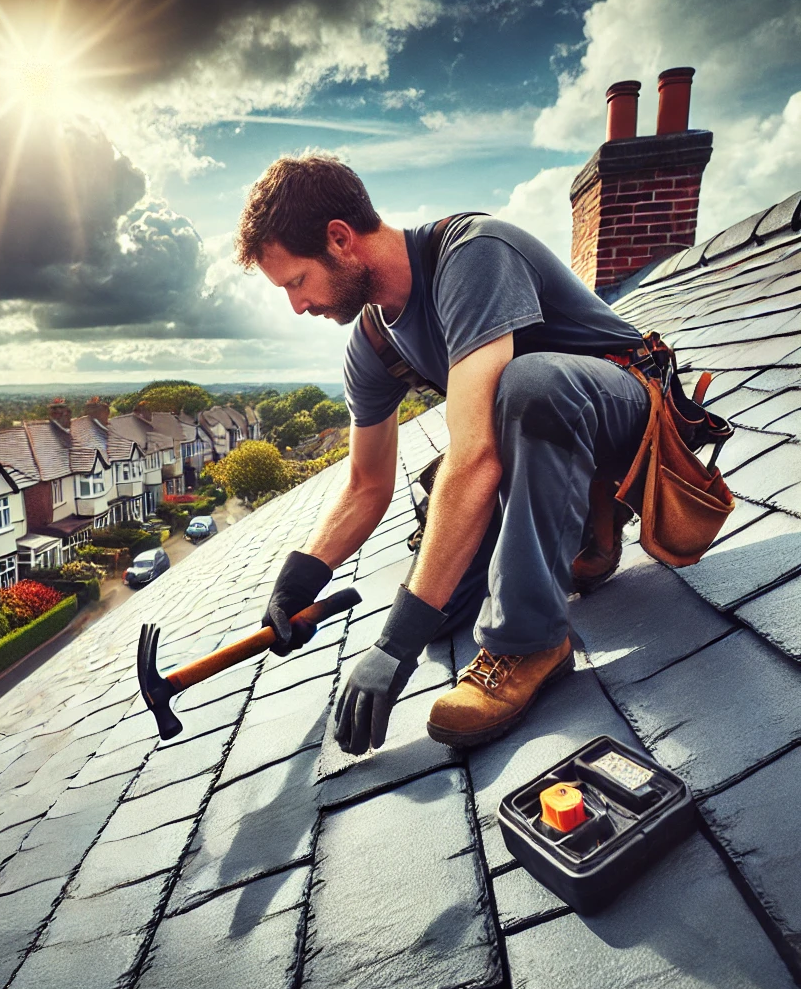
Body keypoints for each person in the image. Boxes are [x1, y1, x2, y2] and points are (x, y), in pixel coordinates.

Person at [234, 154, 649, 756]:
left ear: (340, 239)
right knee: (443, 604)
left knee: (529, 384)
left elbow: (477, 455)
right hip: (539, 456)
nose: (297, 306)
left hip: (624, 422)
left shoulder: (473, 255)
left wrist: (392, 644)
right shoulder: (372, 344)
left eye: (296, 282)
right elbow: (365, 484)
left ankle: (530, 640)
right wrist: (303, 575)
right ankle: (573, 536)